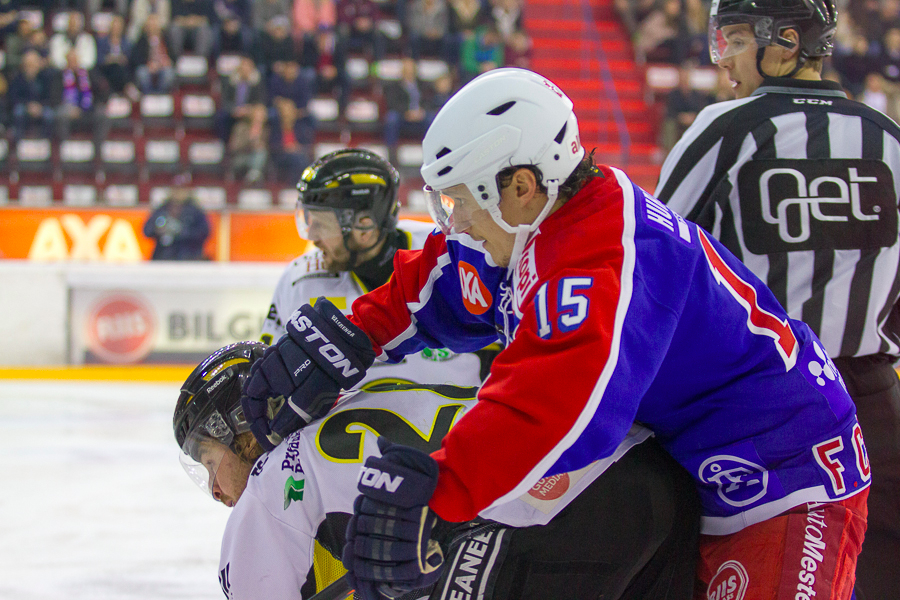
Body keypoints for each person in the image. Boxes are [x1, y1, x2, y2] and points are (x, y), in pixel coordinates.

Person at [241, 67, 871, 600]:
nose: (451, 222)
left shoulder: (605, 253)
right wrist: (354, 332)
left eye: (459, 202)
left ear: (519, 184)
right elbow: (442, 279)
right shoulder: (532, 223)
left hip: (787, 476)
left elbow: (558, 402)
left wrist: (441, 488)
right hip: (688, 469)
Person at [654, 1, 899, 597]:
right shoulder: (887, 137)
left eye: (735, 42)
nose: (725, 62)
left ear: (786, 41)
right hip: (874, 405)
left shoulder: (724, 129)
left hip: (755, 412)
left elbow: (655, 259)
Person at [175, 341, 701, 599]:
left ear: (244, 435)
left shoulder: (269, 487)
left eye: (210, 463)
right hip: (655, 478)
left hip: (563, 525)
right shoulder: (383, 382)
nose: (218, 491)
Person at [261, 148, 491, 389]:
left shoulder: (447, 251)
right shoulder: (298, 279)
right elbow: (275, 374)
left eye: (320, 225)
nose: (314, 239)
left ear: (364, 225)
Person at [142, 175, 211, 260]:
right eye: (175, 189)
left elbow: (204, 233)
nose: (178, 193)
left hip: (189, 257)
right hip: (163, 257)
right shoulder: (162, 209)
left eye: (182, 189)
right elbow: (146, 230)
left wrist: (181, 232)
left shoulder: (195, 212)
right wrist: (158, 231)